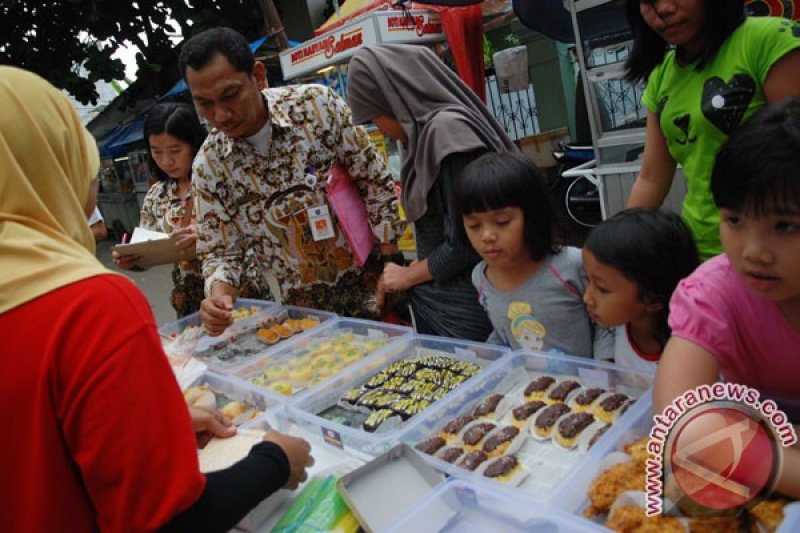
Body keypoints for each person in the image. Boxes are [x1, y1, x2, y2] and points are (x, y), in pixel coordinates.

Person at [0, 66, 314, 531]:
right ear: (51, 165)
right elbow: (165, 520)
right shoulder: (87, 308)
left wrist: (152, 427)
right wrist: (275, 460)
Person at [179, 28, 404, 335]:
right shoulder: (209, 165)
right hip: (300, 320)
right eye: (204, 104)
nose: (220, 115)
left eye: (230, 95)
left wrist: (391, 259)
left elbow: (373, 179)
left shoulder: (316, 107)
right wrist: (218, 298)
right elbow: (221, 251)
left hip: (373, 292)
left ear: (258, 76)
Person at [654, 98, 800, 498]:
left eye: (785, 225)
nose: (754, 251)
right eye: (734, 220)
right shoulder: (715, 293)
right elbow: (680, 421)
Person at [347, 43, 517, 341]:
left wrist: (407, 276)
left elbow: (466, 242)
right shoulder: (427, 137)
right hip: (450, 306)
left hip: (464, 315)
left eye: (376, 117)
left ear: (395, 100)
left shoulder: (448, 137)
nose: (381, 129)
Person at [624, 1, 800, 259]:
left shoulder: (770, 39)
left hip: (772, 251)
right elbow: (651, 178)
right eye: (648, 1)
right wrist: (617, 243)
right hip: (700, 253)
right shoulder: (661, 76)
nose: (662, 9)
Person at [113, 103, 270, 318]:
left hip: (239, 291)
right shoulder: (156, 196)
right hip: (190, 302)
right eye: (156, 152)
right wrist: (132, 260)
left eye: (175, 150)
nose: (166, 161)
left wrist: (210, 234)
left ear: (194, 144)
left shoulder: (222, 180)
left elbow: (257, 229)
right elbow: (147, 246)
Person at [459, 152, 612, 358]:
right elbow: (507, 332)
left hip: (587, 387)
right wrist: (483, 352)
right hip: (526, 387)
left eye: (502, 221)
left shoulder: (573, 265)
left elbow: (609, 323)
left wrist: (605, 365)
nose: (487, 236)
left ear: (532, 215)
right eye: (474, 225)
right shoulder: (480, 277)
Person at [582, 208, 700, 374]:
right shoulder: (620, 324)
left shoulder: (692, 353)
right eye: (588, 280)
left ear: (652, 299)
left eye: (603, 289)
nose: (587, 298)